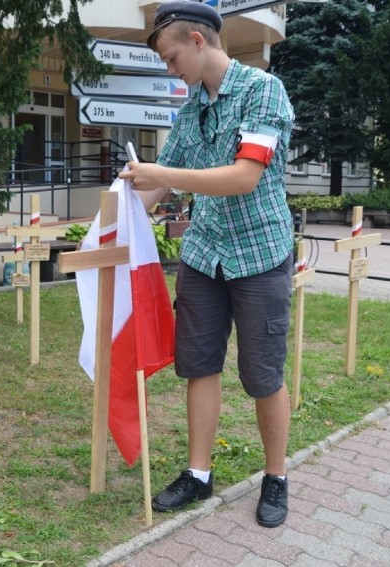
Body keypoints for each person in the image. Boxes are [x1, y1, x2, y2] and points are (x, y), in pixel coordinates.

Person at [118, 0, 295, 528]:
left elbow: (243, 176)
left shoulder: (264, 91)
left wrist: (162, 171)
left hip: (260, 254)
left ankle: (276, 476)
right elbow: (161, 181)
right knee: (198, 364)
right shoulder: (193, 104)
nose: (171, 71)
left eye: (173, 59)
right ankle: (198, 473)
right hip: (205, 255)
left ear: (198, 42)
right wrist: (119, 226)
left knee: (262, 373)